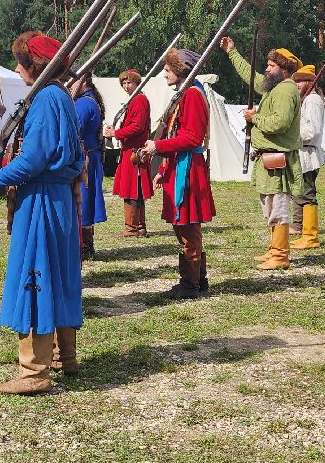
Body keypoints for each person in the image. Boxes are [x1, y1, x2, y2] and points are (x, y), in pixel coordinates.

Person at [0, 31, 84, 395]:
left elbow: (33, 161)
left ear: (32, 65)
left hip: (41, 203)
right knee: (58, 275)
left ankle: (34, 371)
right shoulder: (60, 95)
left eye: (21, 62)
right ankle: (64, 356)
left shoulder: (48, 98)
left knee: (36, 277)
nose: (17, 70)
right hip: (56, 200)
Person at [220, 38, 301, 270]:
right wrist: (232, 53)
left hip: (278, 158)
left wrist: (255, 118)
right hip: (269, 157)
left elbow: (280, 122)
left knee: (278, 207)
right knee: (271, 206)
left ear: (284, 69)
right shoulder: (276, 87)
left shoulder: (285, 90)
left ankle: (280, 255)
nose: (267, 69)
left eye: (272, 65)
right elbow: (251, 76)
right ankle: (274, 249)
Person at [142, 48, 215, 299]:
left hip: (188, 167)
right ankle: (197, 279)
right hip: (179, 165)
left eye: (168, 69)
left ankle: (191, 283)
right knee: (183, 224)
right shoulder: (185, 94)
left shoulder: (193, 95)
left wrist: (158, 147)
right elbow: (177, 133)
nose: (164, 74)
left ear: (181, 69)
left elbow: (192, 137)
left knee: (187, 224)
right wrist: (164, 168)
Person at [104, 69, 153, 237]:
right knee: (135, 189)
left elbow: (138, 126)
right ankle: (138, 227)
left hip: (134, 153)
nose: (126, 86)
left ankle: (133, 228)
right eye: (123, 83)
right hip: (132, 151)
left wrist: (116, 133)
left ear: (137, 83)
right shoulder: (136, 100)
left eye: (129, 82)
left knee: (133, 189)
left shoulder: (139, 100)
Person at [289, 64, 325, 249]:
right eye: (295, 81)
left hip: (308, 153)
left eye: (300, 81)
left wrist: (290, 134)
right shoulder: (305, 99)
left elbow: (312, 131)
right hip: (302, 152)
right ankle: (299, 228)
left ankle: (310, 236)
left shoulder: (312, 100)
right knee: (299, 191)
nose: (296, 84)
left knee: (307, 193)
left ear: (310, 82)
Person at [72, 74, 107, 259]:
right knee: (84, 199)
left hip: (85, 158)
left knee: (83, 200)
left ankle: (84, 246)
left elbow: (73, 129)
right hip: (89, 155)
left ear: (83, 82)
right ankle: (86, 244)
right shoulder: (87, 100)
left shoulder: (84, 104)